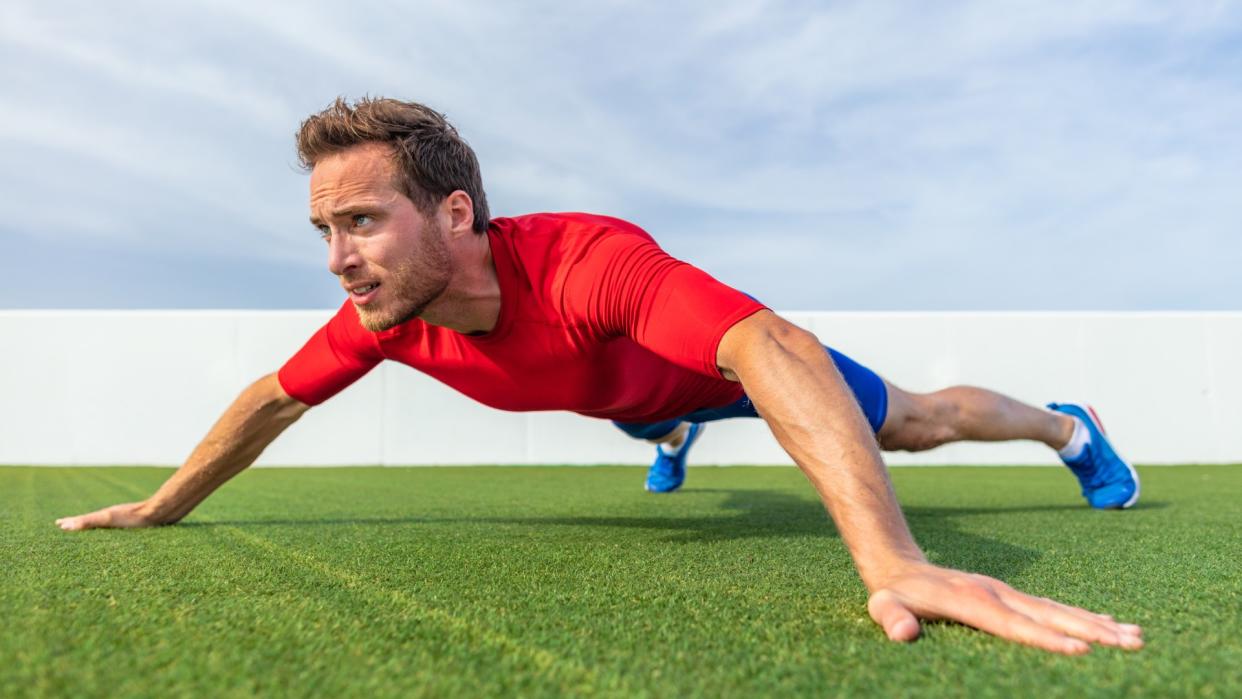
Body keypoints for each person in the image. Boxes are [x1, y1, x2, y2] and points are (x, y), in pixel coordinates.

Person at [55, 97, 1143, 655]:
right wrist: (161, 505)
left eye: (359, 222)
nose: (337, 259)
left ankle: (1064, 428)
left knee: (911, 420)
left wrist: (896, 559)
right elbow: (268, 403)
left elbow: (773, 349)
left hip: (702, 371)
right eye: (322, 230)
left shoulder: (587, 261)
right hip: (615, 390)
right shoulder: (385, 320)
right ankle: (659, 435)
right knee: (624, 410)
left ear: (455, 213)